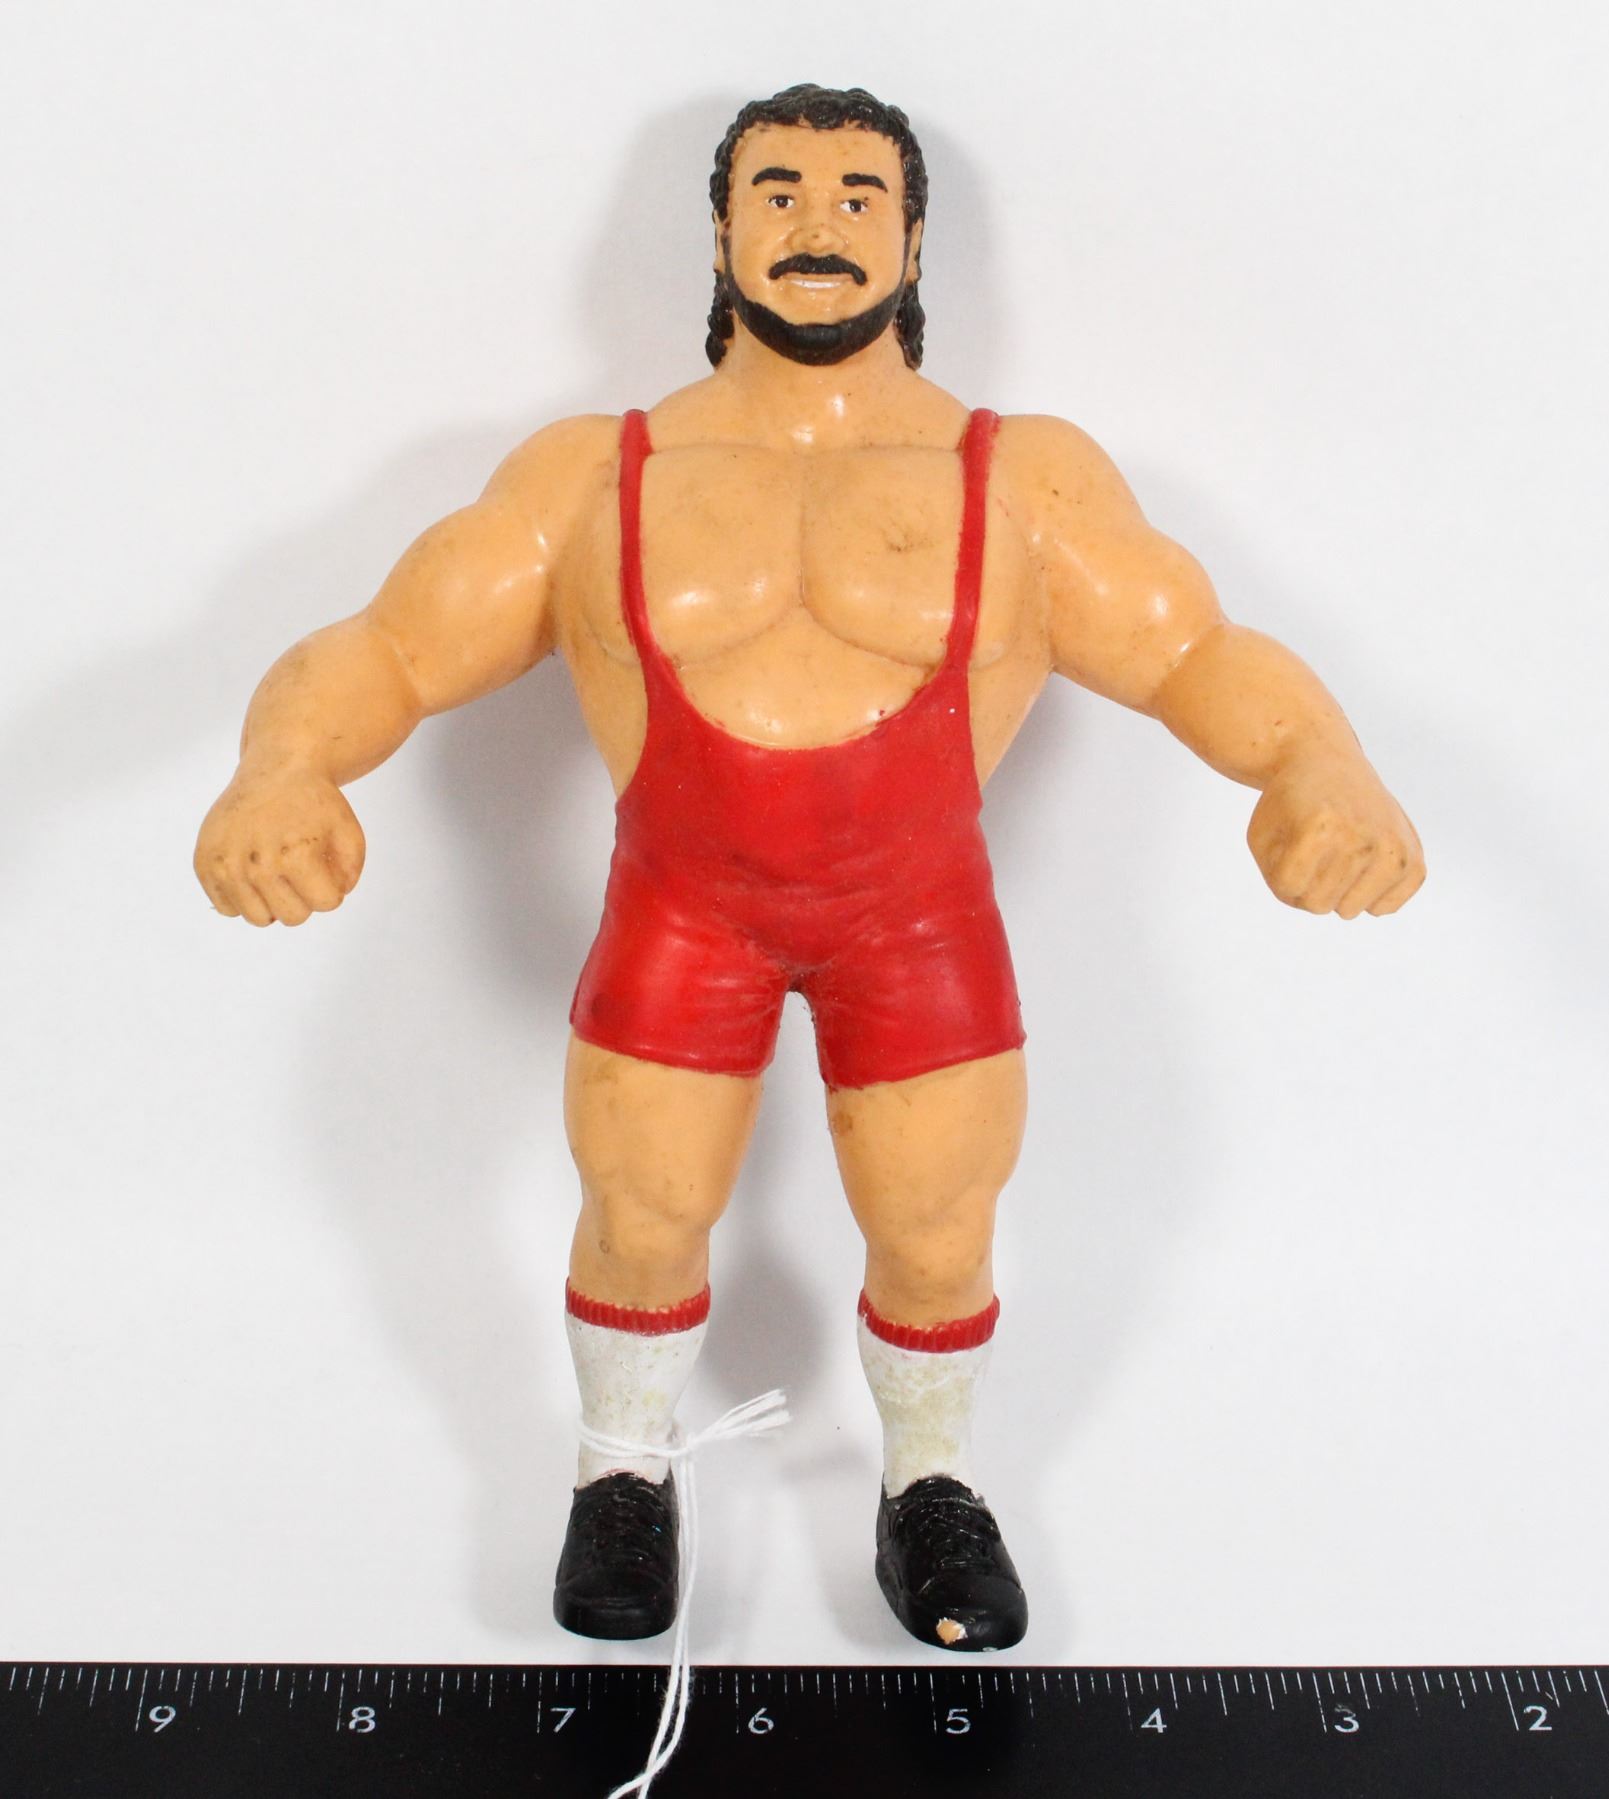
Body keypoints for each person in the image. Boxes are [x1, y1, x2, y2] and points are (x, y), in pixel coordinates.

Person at [193, 84, 1425, 1654]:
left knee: (936, 1228)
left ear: (912, 243)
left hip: (915, 926)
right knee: (641, 1211)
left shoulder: (1020, 477)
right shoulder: (592, 474)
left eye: (857, 197)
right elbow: (391, 645)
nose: (817, 224)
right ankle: (620, 1474)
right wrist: (281, 769)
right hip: (680, 915)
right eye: (776, 191)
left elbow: (1193, 651)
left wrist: (1321, 767)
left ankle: (930, 1488)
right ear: (719, 236)